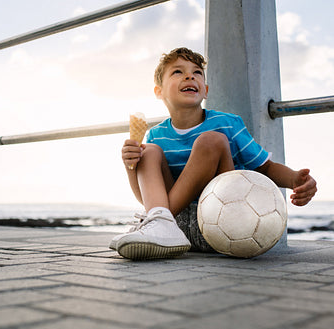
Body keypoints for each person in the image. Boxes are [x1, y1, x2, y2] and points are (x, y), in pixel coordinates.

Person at [110, 47, 317, 260]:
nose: (190, 75)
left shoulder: (228, 124)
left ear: (205, 90)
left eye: (197, 72)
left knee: (212, 140)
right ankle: (158, 225)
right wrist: (131, 165)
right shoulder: (156, 135)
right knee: (149, 151)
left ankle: (157, 223)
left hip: (223, 222)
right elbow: (147, 197)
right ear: (159, 91)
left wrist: (295, 180)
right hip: (177, 230)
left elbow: (265, 167)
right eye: (178, 72)